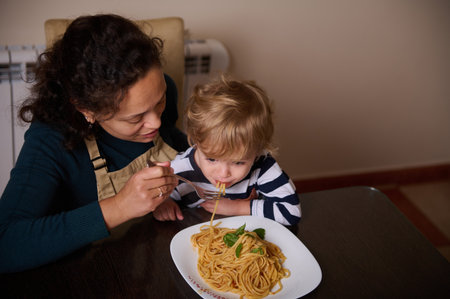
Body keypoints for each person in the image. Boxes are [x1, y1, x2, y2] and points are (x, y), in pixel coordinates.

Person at [0, 14, 188, 273]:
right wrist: (120, 207)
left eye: (160, 102)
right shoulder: (51, 138)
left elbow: (174, 140)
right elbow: (5, 244)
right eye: (136, 117)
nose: (155, 122)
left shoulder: (161, 87)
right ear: (87, 110)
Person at [153, 75, 301, 226]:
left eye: (238, 162)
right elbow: (160, 195)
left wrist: (239, 207)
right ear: (196, 142)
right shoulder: (181, 169)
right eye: (211, 159)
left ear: (258, 150)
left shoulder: (262, 166)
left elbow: (291, 212)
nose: (223, 174)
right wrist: (164, 203)